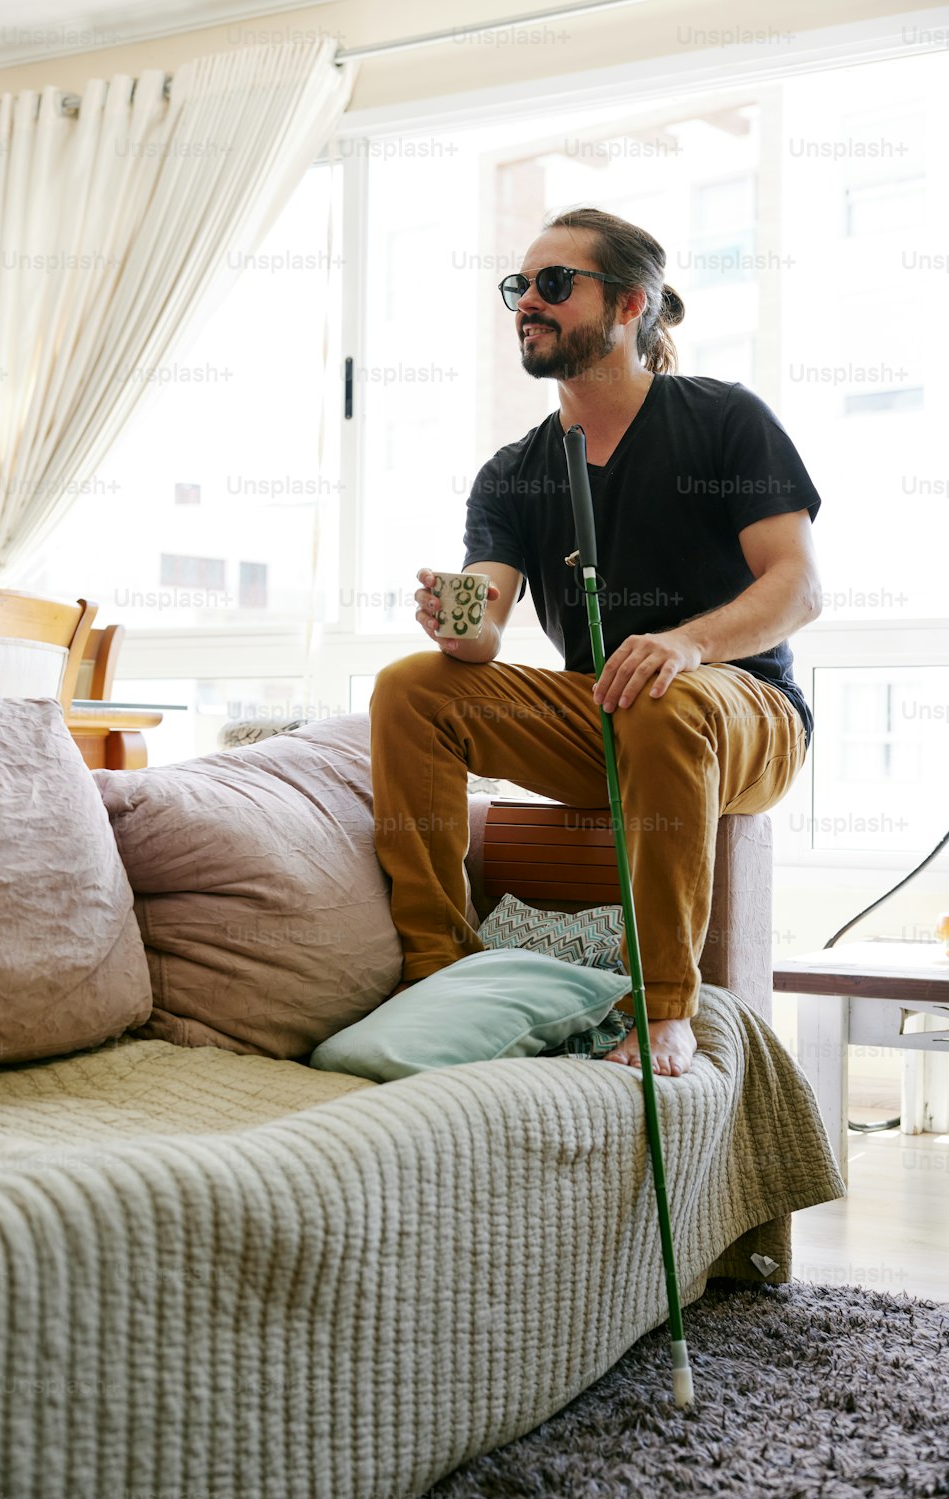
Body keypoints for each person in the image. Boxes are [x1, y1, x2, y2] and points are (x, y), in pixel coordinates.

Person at [369, 207, 822, 1077]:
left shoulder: (727, 420)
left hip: (745, 712)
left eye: (552, 284)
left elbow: (798, 586)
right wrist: (456, 619)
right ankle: (434, 969)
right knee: (410, 686)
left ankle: (663, 1014)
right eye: (518, 287)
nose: (526, 303)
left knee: (661, 692)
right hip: (608, 712)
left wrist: (688, 642)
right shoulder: (511, 472)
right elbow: (487, 627)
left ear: (627, 305)